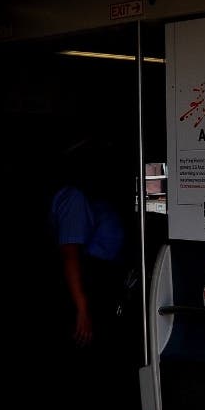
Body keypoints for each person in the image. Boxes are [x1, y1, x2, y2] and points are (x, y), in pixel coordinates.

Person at [50, 137, 127, 348]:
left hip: (101, 277)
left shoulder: (92, 197)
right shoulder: (73, 198)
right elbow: (70, 253)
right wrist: (82, 307)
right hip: (87, 281)